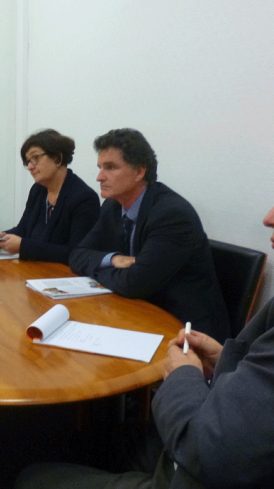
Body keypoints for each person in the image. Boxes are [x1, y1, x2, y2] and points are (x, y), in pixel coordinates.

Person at [15, 146, 274, 489]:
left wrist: (182, 374)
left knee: (33, 477)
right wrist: (224, 361)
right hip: (235, 427)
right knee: (93, 436)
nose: (269, 217)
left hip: (201, 476)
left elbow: (212, 453)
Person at [69, 129, 229, 341]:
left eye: (110, 167)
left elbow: (134, 284)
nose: (99, 177)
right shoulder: (112, 206)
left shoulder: (172, 214)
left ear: (139, 172)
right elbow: (77, 254)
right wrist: (113, 259)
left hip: (185, 330)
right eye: (100, 167)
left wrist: (97, 270)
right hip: (138, 313)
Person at [0, 129, 100, 264]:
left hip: (62, 276)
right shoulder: (38, 190)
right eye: (28, 162)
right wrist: (2, 236)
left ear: (58, 158)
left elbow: (76, 253)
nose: (30, 167)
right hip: (34, 270)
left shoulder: (84, 198)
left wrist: (23, 246)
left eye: (35, 158)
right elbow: (24, 229)